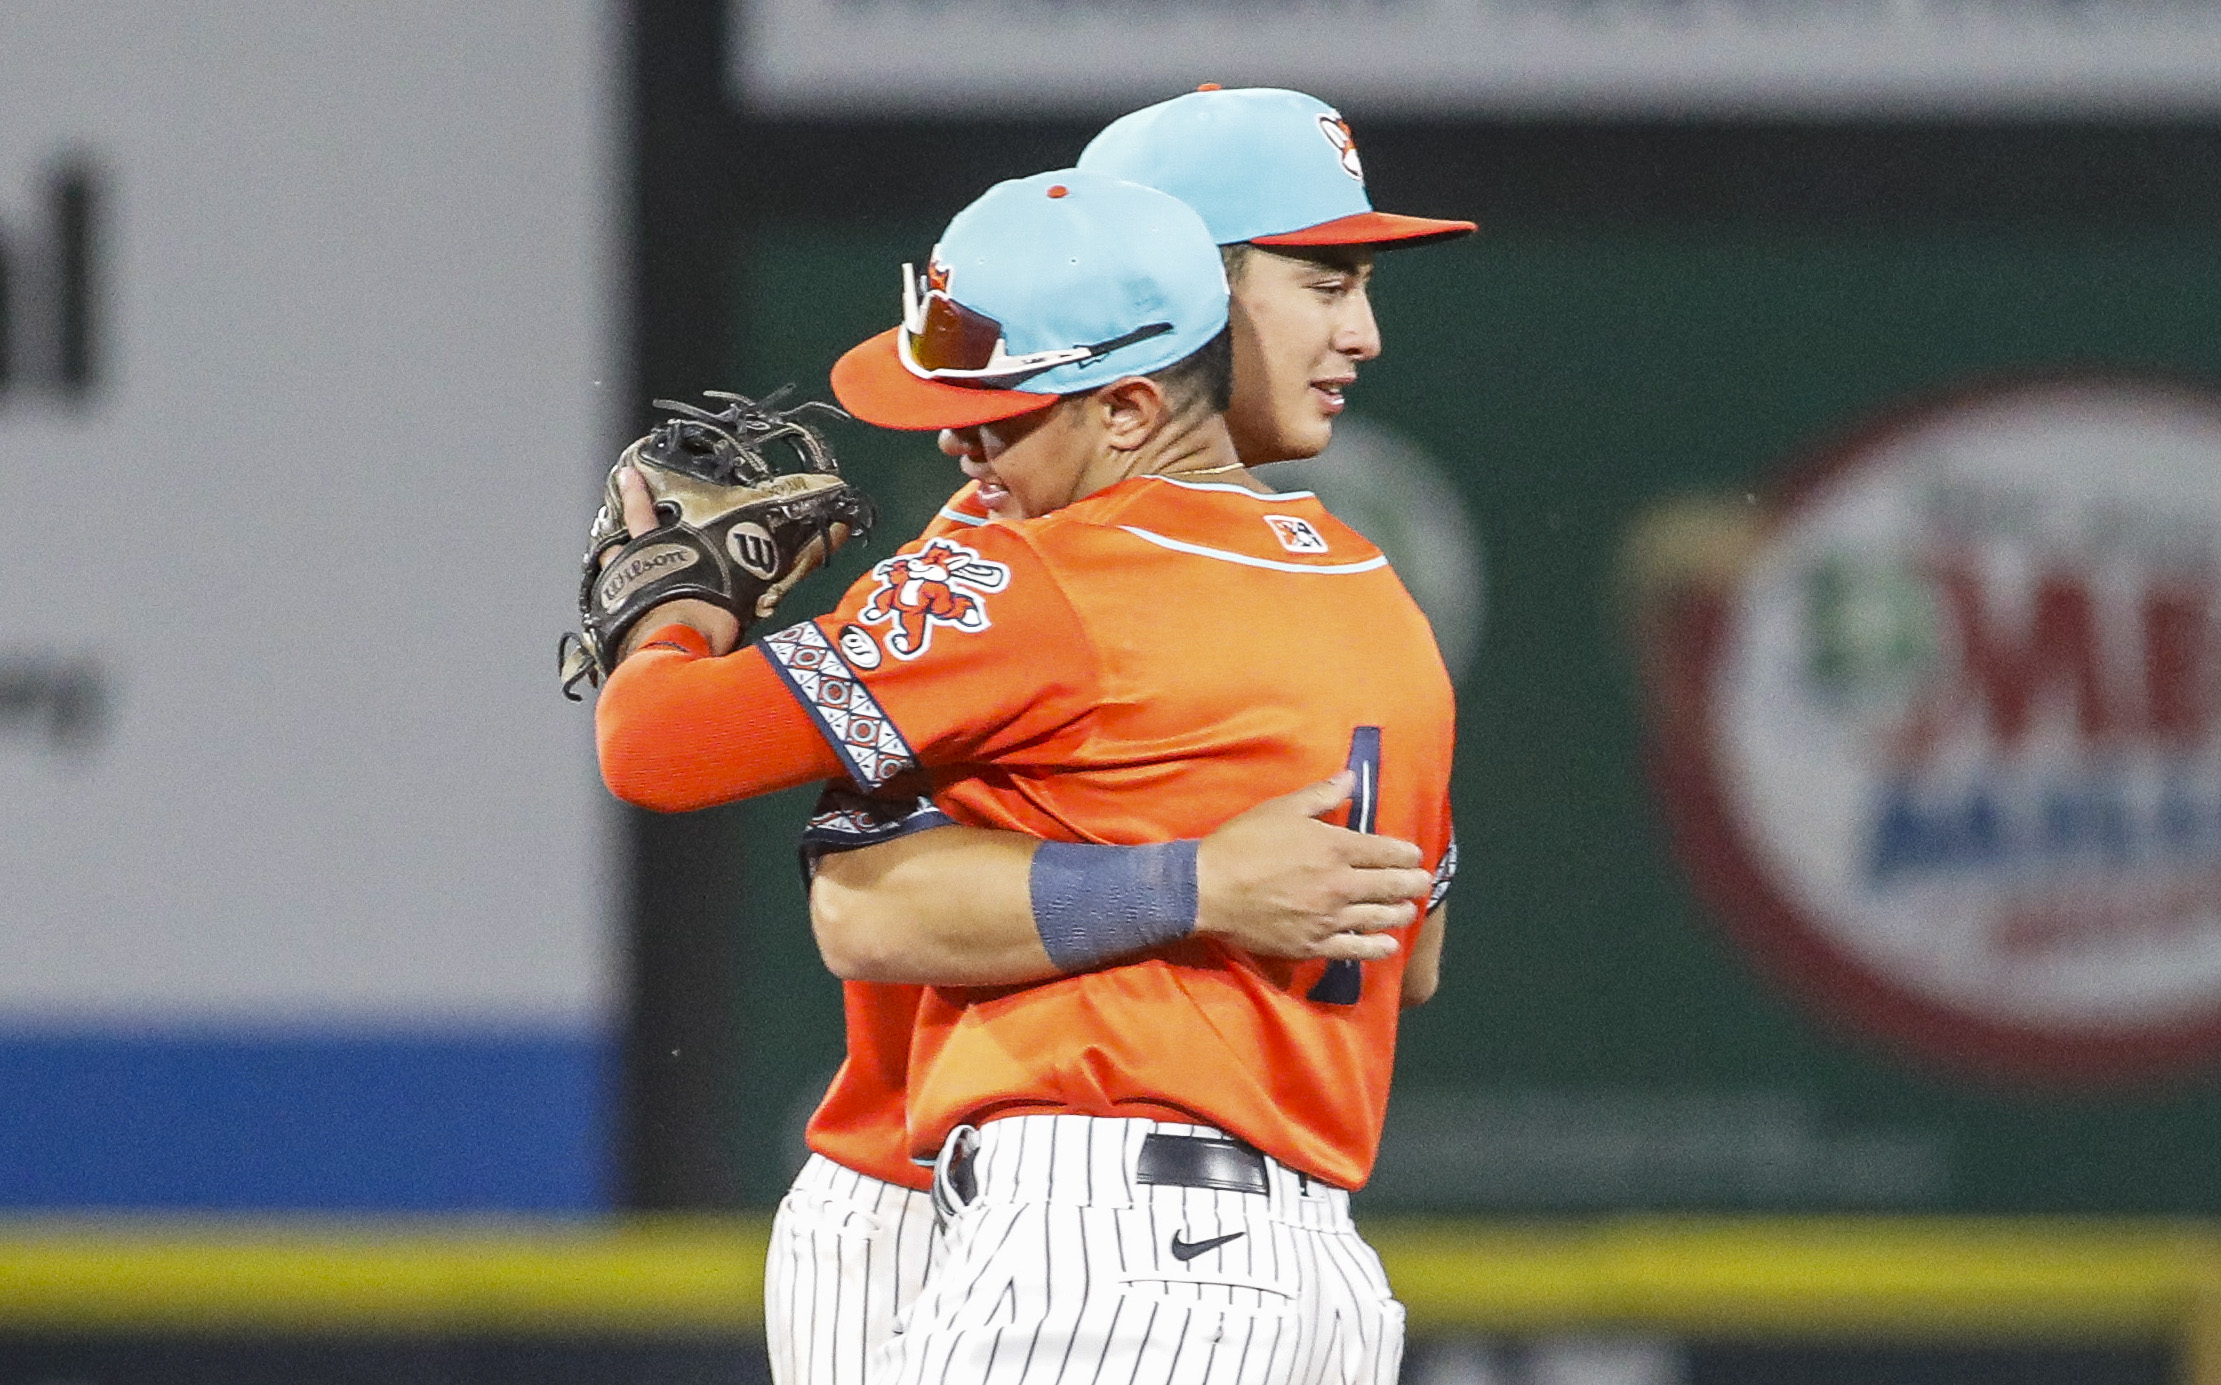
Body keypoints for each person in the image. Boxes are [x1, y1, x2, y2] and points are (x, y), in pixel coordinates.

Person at [598, 164, 1453, 1385]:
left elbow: (658, 745)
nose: (957, 438)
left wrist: (671, 609)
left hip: (1108, 1253)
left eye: (998, 412)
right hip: (1303, 1267)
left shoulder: (1042, 575)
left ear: (1125, 411)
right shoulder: (1374, 587)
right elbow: (1409, 952)